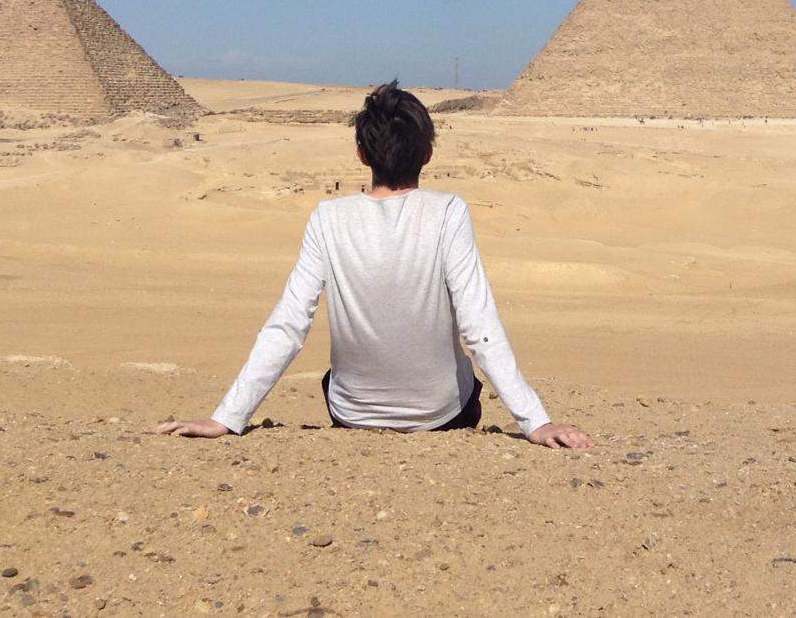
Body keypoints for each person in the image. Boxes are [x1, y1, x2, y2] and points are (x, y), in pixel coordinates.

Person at [149, 81, 594, 449]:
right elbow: (478, 326)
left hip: (352, 415)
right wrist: (535, 422)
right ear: (428, 153)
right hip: (442, 415)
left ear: (361, 154)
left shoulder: (328, 217)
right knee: (466, 379)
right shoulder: (448, 212)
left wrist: (227, 417)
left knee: (334, 377)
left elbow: (288, 325)